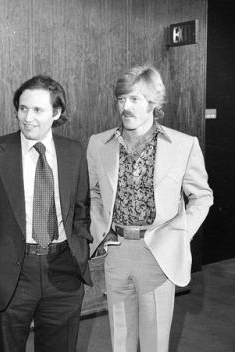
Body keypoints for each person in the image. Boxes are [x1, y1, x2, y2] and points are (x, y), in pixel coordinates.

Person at [87, 65, 213, 352]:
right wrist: (101, 230)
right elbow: (94, 193)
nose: (125, 106)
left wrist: (179, 235)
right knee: (121, 339)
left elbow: (202, 196)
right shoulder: (98, 144)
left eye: (135, 99)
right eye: (121, 99)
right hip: (116, 252)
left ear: (154, 103)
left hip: (157, 252)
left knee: (155, 342)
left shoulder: (183, 145)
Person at [0, 75, 92, 352]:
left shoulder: (73, 151)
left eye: (38, 110)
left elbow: (81, 211)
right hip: (13, 273)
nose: (28, 117)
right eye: (23, 108)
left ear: (57, 113)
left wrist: (80, 253)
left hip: (63, 271)